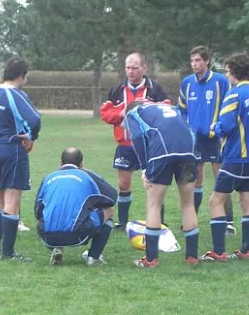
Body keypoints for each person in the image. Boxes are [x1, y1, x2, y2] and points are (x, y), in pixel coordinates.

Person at [200, 52, 249, 262]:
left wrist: (215, 128)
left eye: (227, 70)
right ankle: (247, 250)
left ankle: (219, 252)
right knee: (246, 198)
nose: (226, 74)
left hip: (235, 157)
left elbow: (227, 125)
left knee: (216, 201)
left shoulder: (234, 95)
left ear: (233, 72)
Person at [0, 56, 41, 262]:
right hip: (12, 148)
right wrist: (31, 137)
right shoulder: (15, 94)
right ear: (22, 75)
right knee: (12, 199)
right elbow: (35, 119)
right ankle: (9, 252)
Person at [124, 101, 199, 268]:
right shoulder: (172, 108)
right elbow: (191, 132)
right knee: (188, 204)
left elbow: (138, 137)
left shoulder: (133, 113)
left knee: (154, 205)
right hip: (187, 152)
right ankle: (192, 257)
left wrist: (144, 167)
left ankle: (151, 259)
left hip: (162, 153)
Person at [100, 52, 170, 230]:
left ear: (144, 68)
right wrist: (121, 114)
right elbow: (105, 113)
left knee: (154, 184)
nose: (130, 71)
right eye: (127, 67)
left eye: (134, 68)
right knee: (123, 184)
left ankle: (159, 222)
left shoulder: (155, 89)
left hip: (150, 145)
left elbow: (167, 111)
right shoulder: (117, 89)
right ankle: (122, 223)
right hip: (125, 145)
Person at [178, 46, 236, 234]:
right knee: (196, 179)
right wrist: (187, 128)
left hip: (217, 138)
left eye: (198, 60)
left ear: (207, 61)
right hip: (195, 139)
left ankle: (227, 221)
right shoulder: (187, 83)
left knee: (222, 177)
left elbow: (229, 106)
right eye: (192, 61)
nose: (194, 64)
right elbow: (182, 110)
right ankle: (191, 217)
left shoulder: (220, 82)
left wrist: (220, 129)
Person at [35, 148, 117, 266]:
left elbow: (38, 211)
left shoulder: (48, 178)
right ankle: (94, 257)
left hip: (48, 237)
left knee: (53, 215)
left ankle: (57, 248)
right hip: (78, 235)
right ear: (82, 164)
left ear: (60, 164)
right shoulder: (87, 175)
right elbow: (112, 198)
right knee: (109, 211)